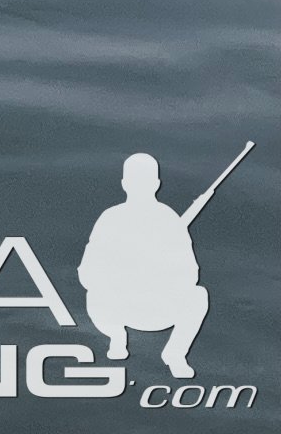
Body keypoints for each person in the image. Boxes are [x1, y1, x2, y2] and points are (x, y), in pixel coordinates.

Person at [79, 151, 213, 379]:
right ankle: (117, 337)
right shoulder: (111, 218)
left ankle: (175, 354)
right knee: (94, 295)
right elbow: (87, 273)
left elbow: (191, 274)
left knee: (198, 296)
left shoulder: (169, 220)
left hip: (159, 307)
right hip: (117, 307)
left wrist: (158, 273)